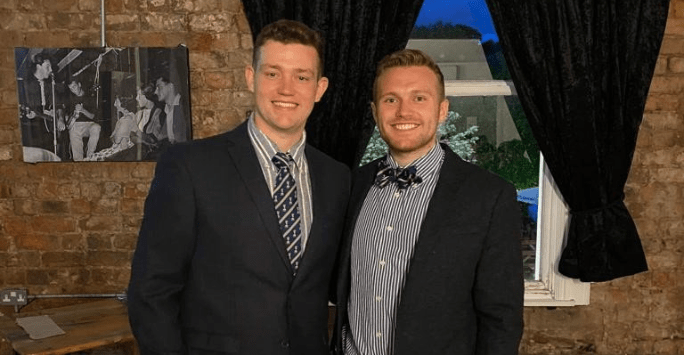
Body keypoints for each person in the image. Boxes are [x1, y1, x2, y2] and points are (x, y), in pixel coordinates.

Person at [128, 19, 351, 355]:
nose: (286, 89)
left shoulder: (336, 178)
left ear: (319, 89)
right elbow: (151, 292)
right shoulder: (190, 166)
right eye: (273, 73)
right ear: (251, 78)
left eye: (301, 77)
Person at [333, 49, 523, 355]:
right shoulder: (352, 185)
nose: (403, 112)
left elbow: (501, 318)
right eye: (390, 99)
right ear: (374, 111)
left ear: (442, 109)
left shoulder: (489, 196)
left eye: (419, 98)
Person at [20, 53, 67, 160]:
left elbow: (58, 104)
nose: (51, 70)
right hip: (33, 132)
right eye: (47, 67)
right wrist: (31, 114)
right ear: (38, 67)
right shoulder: (25, 84)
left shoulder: (50, 84)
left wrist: (60, 118)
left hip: (49, 132)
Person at [66, 79, 101, 161]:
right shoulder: (70, 100)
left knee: (97, 127)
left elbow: (93, 116)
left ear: (79, 84)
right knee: (73, 130)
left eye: (74, 87)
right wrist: (73, 116)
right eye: (71, 89)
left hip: (89, 124)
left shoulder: (90, 96)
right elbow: (68, 120)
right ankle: (79, 160)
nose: (73, 90)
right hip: (76, 125)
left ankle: (90, 156)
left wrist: (83, 110)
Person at [154, 75, 190, 148]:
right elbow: (163, 136)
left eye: (159, 87)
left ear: (170, 86)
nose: (155, 92)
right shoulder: (166, 110)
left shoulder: (184, 106)